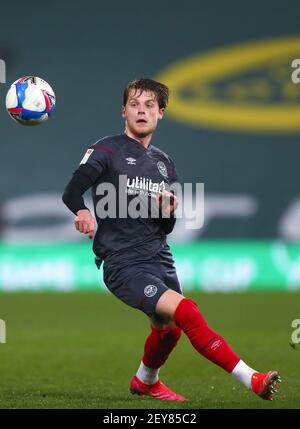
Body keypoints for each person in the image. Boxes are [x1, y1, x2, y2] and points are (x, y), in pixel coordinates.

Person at [62, 78, 281, 402]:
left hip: (159, 257)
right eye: (134, 104)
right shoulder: (105, 150)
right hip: (123, 263)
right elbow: (72, 191)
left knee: (169, 330)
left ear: (161, 113)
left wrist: (168, 211)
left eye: (149, 105)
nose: (141, 110)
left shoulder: (164, 164)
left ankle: (145, 381)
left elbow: (165, 228)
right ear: (123, 111)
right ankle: (253, 379)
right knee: (187, 313)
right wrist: (82, 211)